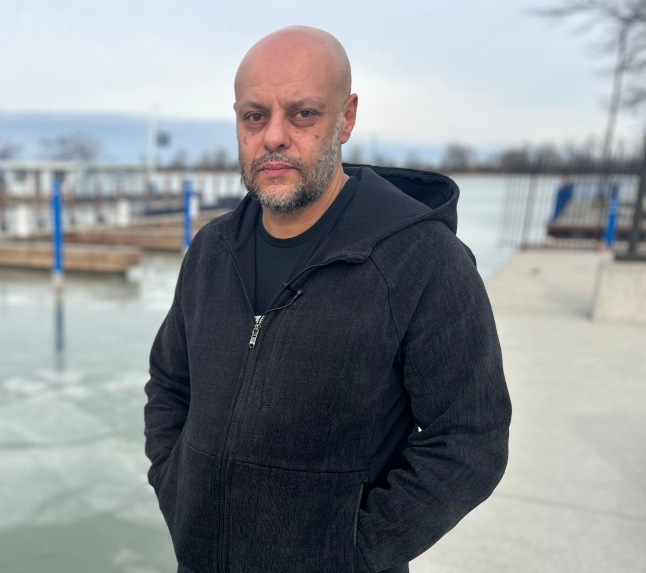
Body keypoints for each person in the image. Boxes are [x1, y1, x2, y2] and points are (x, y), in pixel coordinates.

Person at [143, 26, 511, 573]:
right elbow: (170, 385)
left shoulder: (421, 262)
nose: (273, 137)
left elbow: (470, 440)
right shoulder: (211, 250)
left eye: (303, 114)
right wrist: (176, 487)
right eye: (254, 116)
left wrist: (347, 553)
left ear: (347, 118)